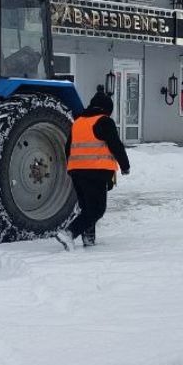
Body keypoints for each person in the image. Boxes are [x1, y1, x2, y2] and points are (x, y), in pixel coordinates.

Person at [56, 86, 129, 249]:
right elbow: (116, 145)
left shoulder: (78, 123)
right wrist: (125, 166)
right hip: (96, 171)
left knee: (87, 207)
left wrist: (73, 166)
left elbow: (68, 148)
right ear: (106, 109)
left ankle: (89, 238)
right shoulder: (104, 121)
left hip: (77, 171)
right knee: (97, 209)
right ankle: (69, 233)